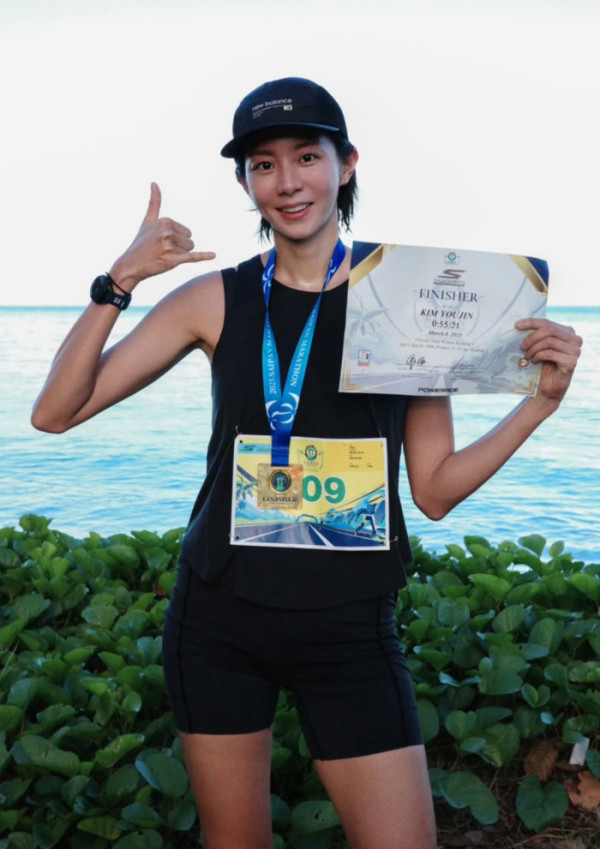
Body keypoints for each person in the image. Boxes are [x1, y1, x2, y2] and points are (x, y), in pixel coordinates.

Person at [32, 77, 582, 849]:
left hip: (350, 628)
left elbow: (434, 491)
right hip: (218, 620)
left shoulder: (406, 300)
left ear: (346, 163)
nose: (287, 182)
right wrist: (118, 280)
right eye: (263, 164)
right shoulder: (214, 299)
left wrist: (538, 406)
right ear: (245, 182)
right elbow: (56, 411)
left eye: (306, 157)